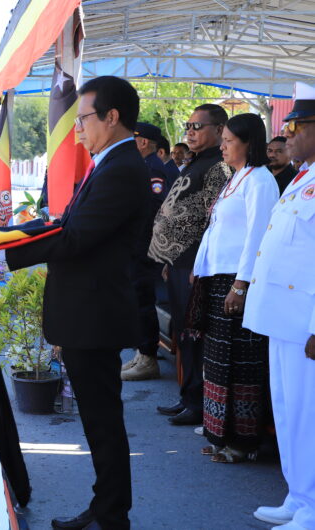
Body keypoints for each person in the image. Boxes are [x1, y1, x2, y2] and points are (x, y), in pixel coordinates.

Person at [0, 76, 148, 530]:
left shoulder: (123, 168)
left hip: (95, 316)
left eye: (84, 118)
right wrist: (4, 240)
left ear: (112, 116)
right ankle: (105, 506)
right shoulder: (110, 163)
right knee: (97, 420)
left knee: (103, 421)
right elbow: (63, 223)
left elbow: (74, 236)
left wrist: (3, 250)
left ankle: (112, 516)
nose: (79, 130)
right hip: (86, 313)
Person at [244, 82, 315, 530]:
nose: (287, 134)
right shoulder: (303, 177)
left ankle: (312, 509)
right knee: (288, 410)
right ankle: (298, 495)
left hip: (304, 323)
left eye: (297, 126)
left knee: (308, 416)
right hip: (280, 318)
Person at [191, 113, 277, 464]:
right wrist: (199, 269)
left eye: (228, 140)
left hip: (238, 282)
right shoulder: (236, 178)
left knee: (240, 363)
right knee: (217, 362)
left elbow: (257, 237)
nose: (222, 145)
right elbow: (215, 230)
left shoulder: (260, 181)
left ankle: (242, 441)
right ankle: (219, 433)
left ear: (248, 143)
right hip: (218, 281)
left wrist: (241, 285)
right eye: (222, 139)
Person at [149, 104, 231, 426]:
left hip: (196, 265)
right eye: (189, 125)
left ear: (219, 129)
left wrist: (193, 262)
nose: (190, 131)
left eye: (198, 126)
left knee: (194, 335)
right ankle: (187, 396)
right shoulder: (196, 163)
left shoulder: (219, 168)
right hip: (179, 263)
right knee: (183, 333)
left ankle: (197, 402)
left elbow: (208, 221)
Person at [122, 122, 170, 381]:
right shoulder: (145, 166)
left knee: (143, 301)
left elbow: (153, 207)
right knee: (138, 299)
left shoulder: (153, 168)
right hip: (140, 245)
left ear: (142, 142)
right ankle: (143, 353)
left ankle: (149, 357)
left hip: (146, 246)